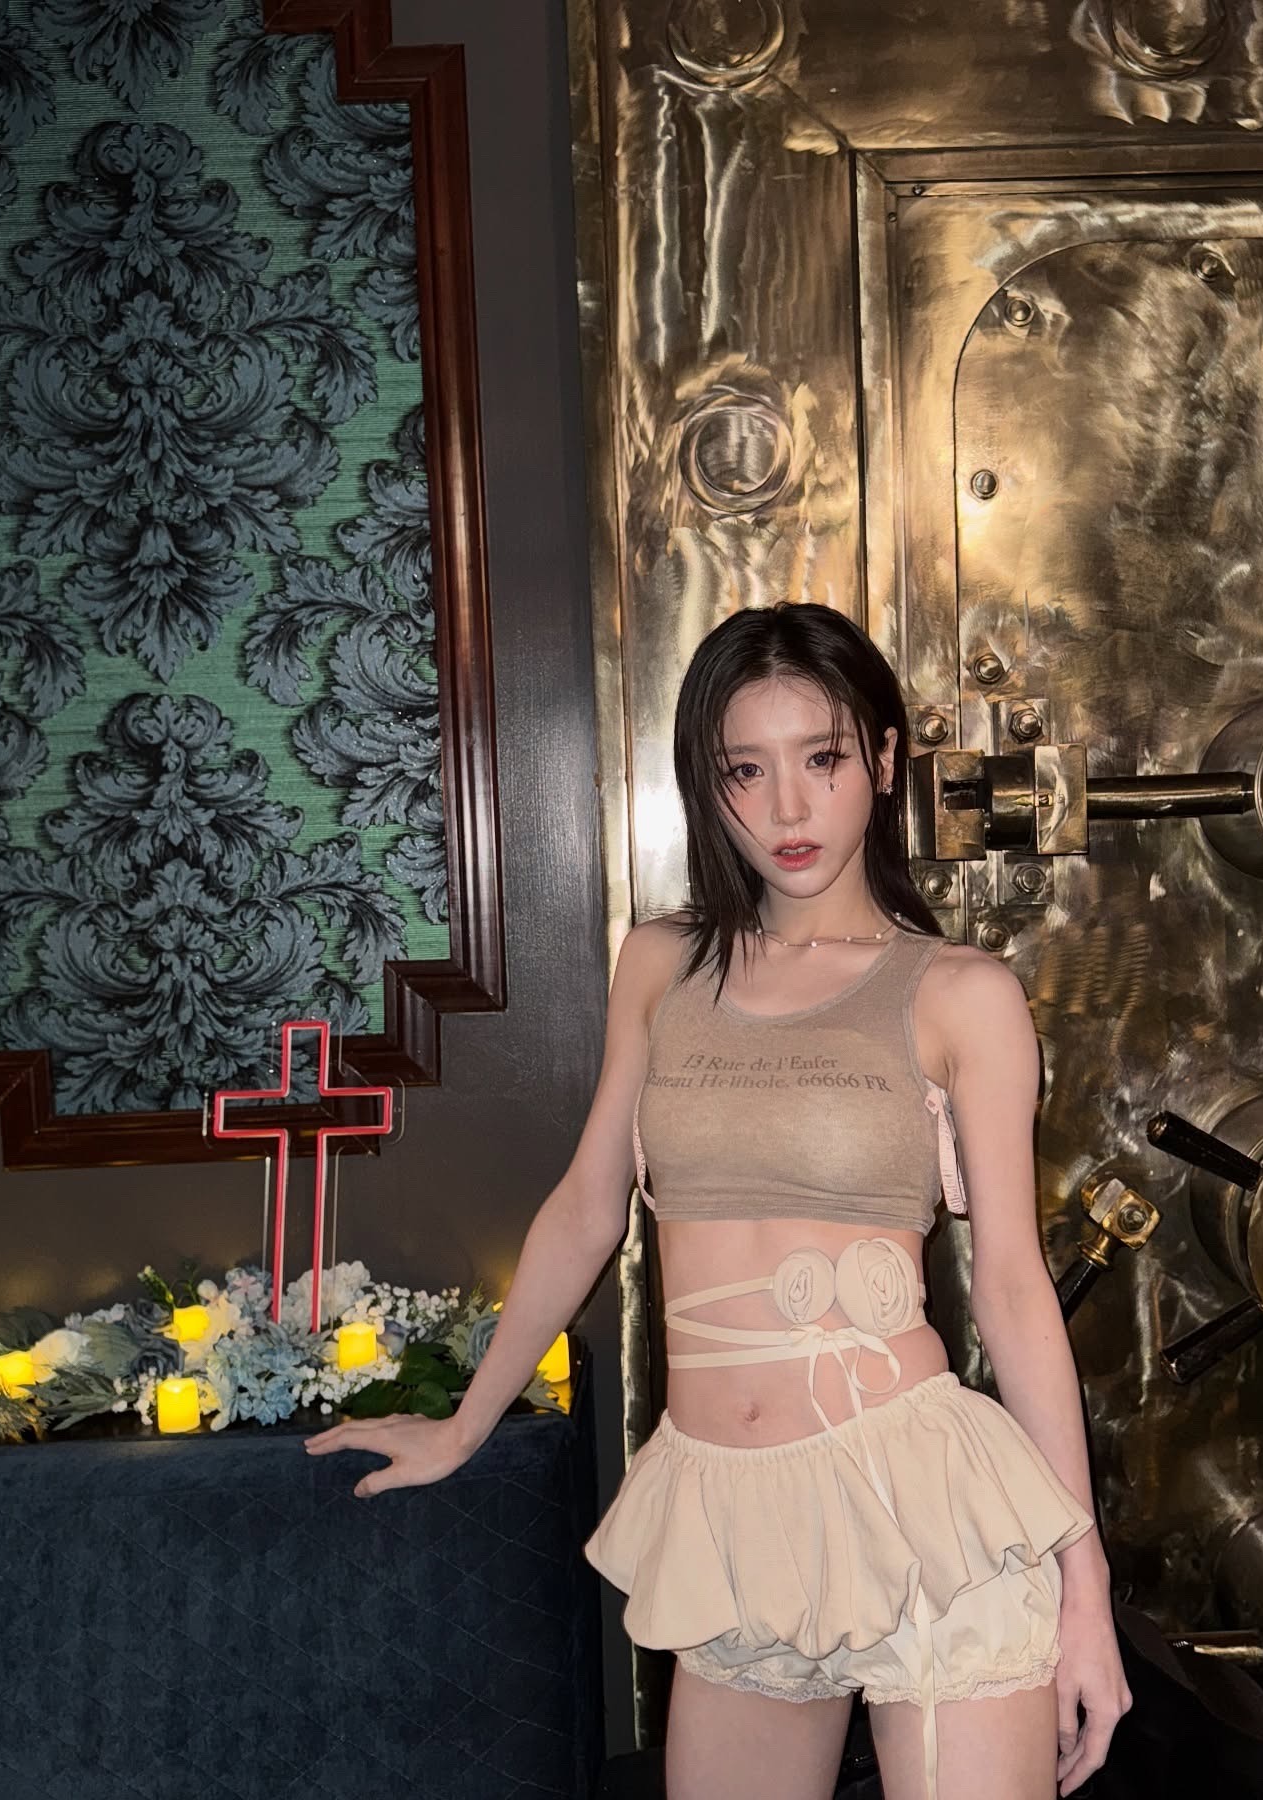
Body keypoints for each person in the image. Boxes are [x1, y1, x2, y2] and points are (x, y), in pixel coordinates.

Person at [306, 602, 1132, 1799]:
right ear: (709, 781)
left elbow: (1010, 1288)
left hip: (926, 1514)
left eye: (823, 759)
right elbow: (587, 1209)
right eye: (746, 769)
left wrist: (1083, 1591)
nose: (788, 809)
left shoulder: (959, 993)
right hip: (731, 1525)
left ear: (884, 760)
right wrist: (464, 1424)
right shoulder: (662, 964)